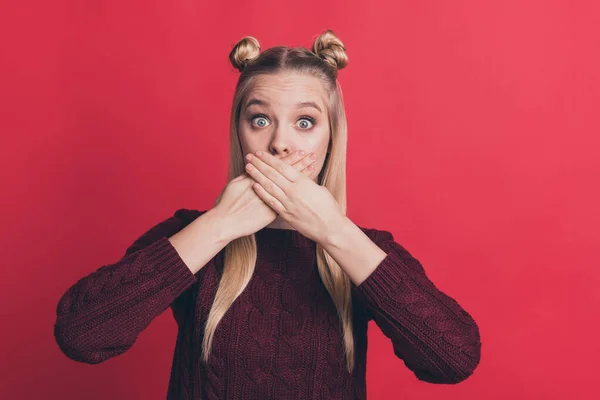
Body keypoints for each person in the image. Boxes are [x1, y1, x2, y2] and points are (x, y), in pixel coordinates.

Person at [54, 29, 481, 399]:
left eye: (305, 122)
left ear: (332, 137)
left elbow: (453, 359)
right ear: (239, 133)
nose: (280, 144)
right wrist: (218, 226)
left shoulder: (362, 249)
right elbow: (79, 335)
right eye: (260, 120)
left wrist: (335, 232)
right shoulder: (194, 235)